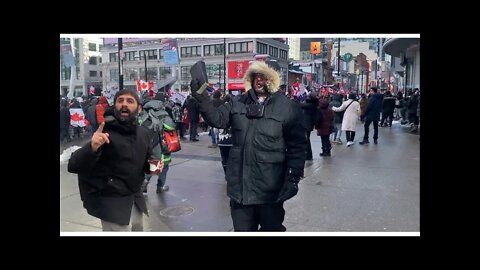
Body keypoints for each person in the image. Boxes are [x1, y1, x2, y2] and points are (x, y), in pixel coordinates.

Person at [191, 61, 307, 231]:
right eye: (256, 76)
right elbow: (217, 119)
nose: (259, 80)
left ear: (273, 79)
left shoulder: (288, 108)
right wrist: (202, 97)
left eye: (264, 76)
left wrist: (293, 177)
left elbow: (297, 146)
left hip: (271, 191)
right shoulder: (238, 102)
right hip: (240, 190)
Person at [68, 89, 164, 232]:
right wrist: (92, 148)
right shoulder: (104, 133)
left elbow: (144, 163)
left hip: (135, 199)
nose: (124, 104)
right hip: (111, 203)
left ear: (139, 108)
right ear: (114, 106)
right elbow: (73, 165)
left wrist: (154, 167)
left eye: (130, 101)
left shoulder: (143, 133)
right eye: (120, 100)